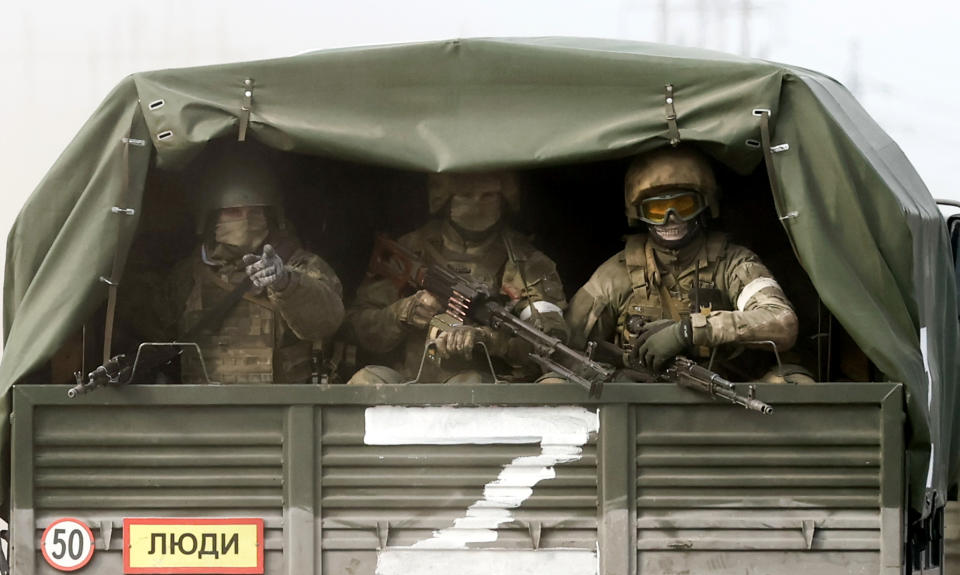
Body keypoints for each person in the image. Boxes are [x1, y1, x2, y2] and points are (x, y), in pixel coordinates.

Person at [566, 145, 808, 382]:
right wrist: (614, 378)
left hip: (729, 397)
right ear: (638, 213)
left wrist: (689, 331)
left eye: (684, 206)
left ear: (705, 204)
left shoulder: (735, 264)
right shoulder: (616, 274)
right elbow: (564, 347)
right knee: (554, 383)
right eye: (657, 209)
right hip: (638, 403)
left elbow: (782, 323)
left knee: (792, 381)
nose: (671, 219)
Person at [128, 148, 344, 384]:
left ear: (271, 216)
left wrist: (285, 283)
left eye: (255, 212)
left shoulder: (302, 265)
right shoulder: (190, 275)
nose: (245, 220)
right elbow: (153, 329)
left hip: (283, 412)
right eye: (233, 212)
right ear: (211, 218)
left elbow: (326, 322)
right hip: (203, 412)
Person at [345, 171, 568, 384]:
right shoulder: (411, 250)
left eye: (488, 195)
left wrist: (489, 339)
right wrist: (402, 313)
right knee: (365, 381)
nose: (477, 203)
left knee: (470, 384)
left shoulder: (525, 262)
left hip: (483, 388)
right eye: (466, 195)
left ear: (503, 199)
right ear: (447, 197)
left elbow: (546, 343)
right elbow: (356, 327)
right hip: (411, 380)